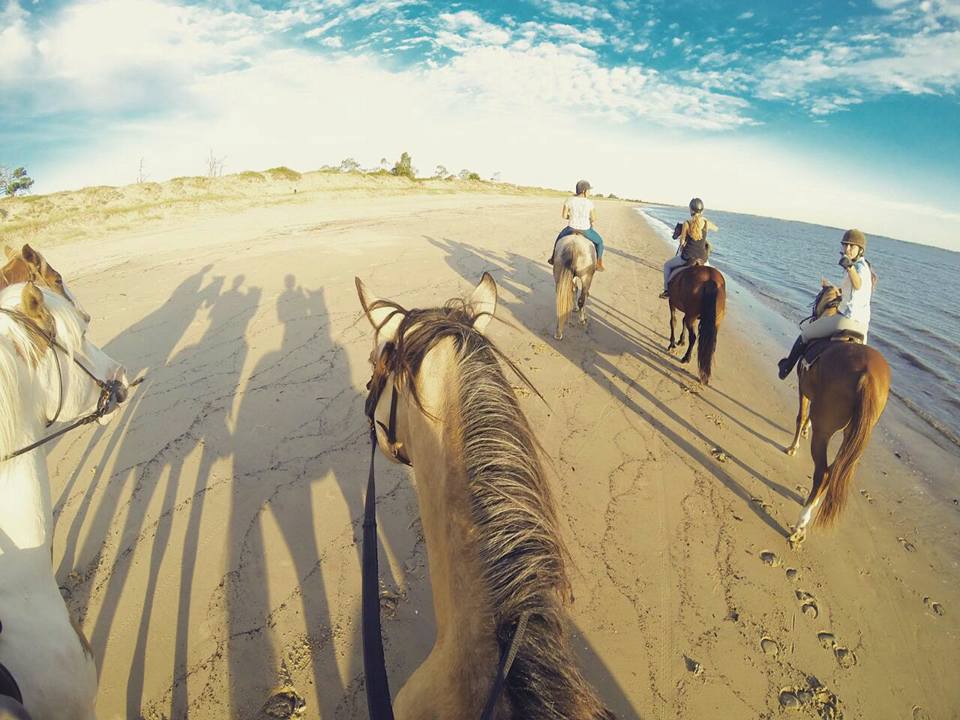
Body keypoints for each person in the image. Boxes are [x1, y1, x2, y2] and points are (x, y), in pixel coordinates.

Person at [777, 228, 875, 379]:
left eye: (852, 246)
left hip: (846, 321)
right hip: (863, 328)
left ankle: (785, 368)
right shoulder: (866, 268)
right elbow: (854, 293)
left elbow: (857, 284)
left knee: (806, 334)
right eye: (845, 245)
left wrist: (849, 267)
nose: (847, 249)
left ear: (860, 250)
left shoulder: (858, 268)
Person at [660, 197, 717, 298]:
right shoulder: (706, 223)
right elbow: (716, 228)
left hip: (687, 257)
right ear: (702, 210)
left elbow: (682, 242)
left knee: (667, 266)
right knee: (712, 274)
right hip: (702, 258)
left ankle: (667, 290)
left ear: (691, 210)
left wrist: (683, 243)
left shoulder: (687, 223)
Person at [548, 180, 605, 271]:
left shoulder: (569, 200)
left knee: (558, 239)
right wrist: (587, 219)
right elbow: (594, 218)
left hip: (571, 228)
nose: (589, 192)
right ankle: (598, 263)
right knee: (600, 242)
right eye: (589, 190)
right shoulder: (589, 202)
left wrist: (571, 217)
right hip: (585, 230)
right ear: (584, 191)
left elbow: (564, 216)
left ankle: (553, 258)